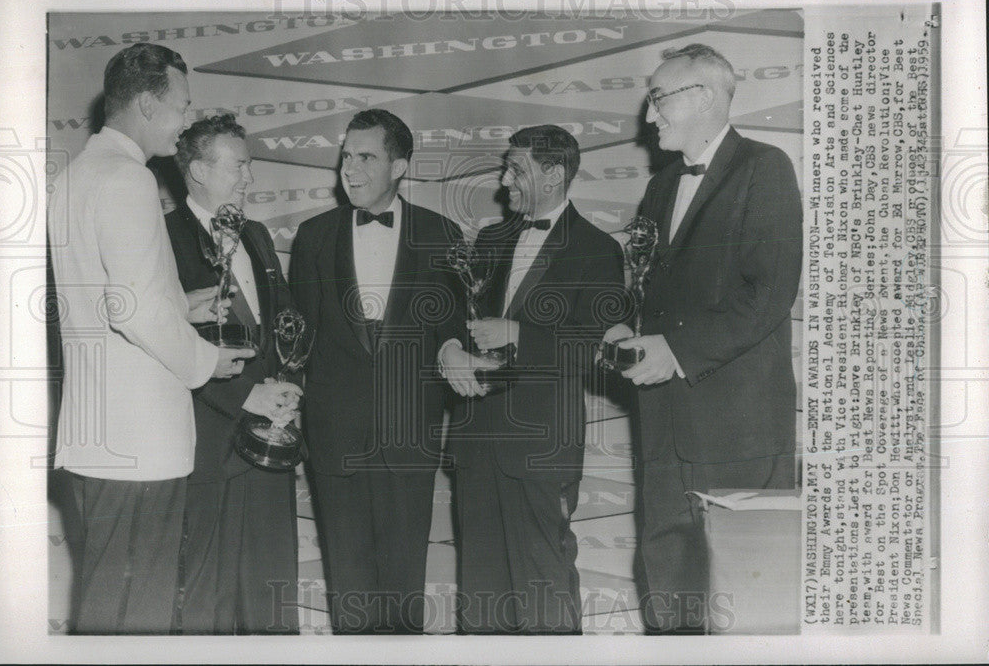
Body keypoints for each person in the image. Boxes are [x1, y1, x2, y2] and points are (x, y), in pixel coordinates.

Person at [47, 43, 254, 634]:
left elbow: (110, 300)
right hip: (138, 447)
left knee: (109, 603)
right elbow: (134, 312)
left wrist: (180, 306)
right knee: (136, 616)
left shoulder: (76, 176)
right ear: (145, 103)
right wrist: (206, 359)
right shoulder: (128, 179)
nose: (186, 118)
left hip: (99, 440)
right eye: (181, 105)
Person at [602, 43, 803, 634]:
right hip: (663, 421)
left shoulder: (765, 168)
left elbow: (768, 295)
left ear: (707, 97)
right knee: (668, 583)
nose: (649, 116)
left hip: (736, 427)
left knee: (746, 597)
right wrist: (630, 326)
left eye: (659, 98)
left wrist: (678, 352)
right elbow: (655, 290)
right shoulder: (663, 185)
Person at [440, 124, 625, 634]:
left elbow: (594, 347)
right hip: (476, 439)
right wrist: (450, 349)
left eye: (516, 169)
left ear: (554, 174)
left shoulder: (598, 248)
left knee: (544, 590)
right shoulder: (491, 238)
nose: (504, 180)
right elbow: (458, 317)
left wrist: (519, 332)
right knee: (480, 596)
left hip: (540, 448)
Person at [288, 109, 464, 634]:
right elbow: (297, 341)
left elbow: (452, 331)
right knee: (349, 586)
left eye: (366, 157)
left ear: (400, 166)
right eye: (346, 156)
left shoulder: (442, 233)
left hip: (409, 436)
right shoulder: (313, 235)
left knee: (405, 581)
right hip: (335, 435)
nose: (350, 168)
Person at [164, 114, 302, 634]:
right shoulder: (163, 238)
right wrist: (247, 396)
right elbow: (169, 344)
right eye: (239, 166)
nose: (250, 178)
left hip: (271, 439)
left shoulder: (258, 235)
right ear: (198, 169)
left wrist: (288, 390)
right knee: (207, 599)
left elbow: (283, 322)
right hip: (208, 440)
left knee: (272, 591)